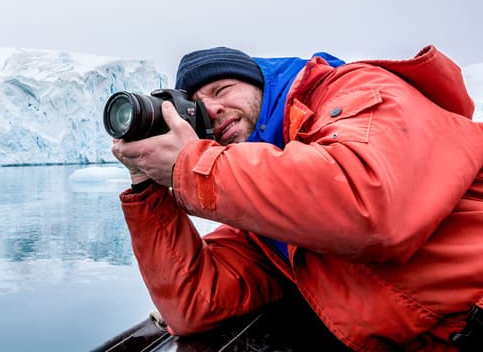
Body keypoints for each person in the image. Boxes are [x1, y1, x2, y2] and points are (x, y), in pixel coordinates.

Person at [111, 45, 483, 351]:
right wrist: (147, 186)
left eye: (221, 90)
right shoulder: (268, 216)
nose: (212, 109)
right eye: (197, 107)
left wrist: (192, 166)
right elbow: (193, 304)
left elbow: (367, 209)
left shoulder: (359, 89)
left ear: (259, 81)